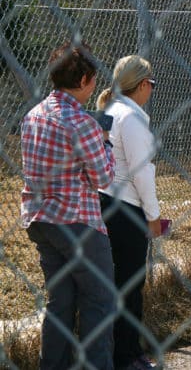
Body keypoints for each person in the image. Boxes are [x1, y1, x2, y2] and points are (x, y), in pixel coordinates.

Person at [21, 41, 116, 369]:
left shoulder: (33, 115)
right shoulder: (83, 123)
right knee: (100, 301)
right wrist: (107, 145)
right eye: (92, 77)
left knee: (60, 303)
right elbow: (103, 177)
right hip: (77, 222)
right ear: (85, 80)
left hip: (40, 220)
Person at [96, 55, 162, 370]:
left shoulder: (109, 110)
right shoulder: (132, 118)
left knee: (116, 283)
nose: (152, 90)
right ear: (141, 84)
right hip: (127, 209)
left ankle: (118, 351)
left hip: (105, 202)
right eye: (151, 83)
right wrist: (153, 215)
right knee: (130, 285)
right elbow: (142, 173)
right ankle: (127, 355)